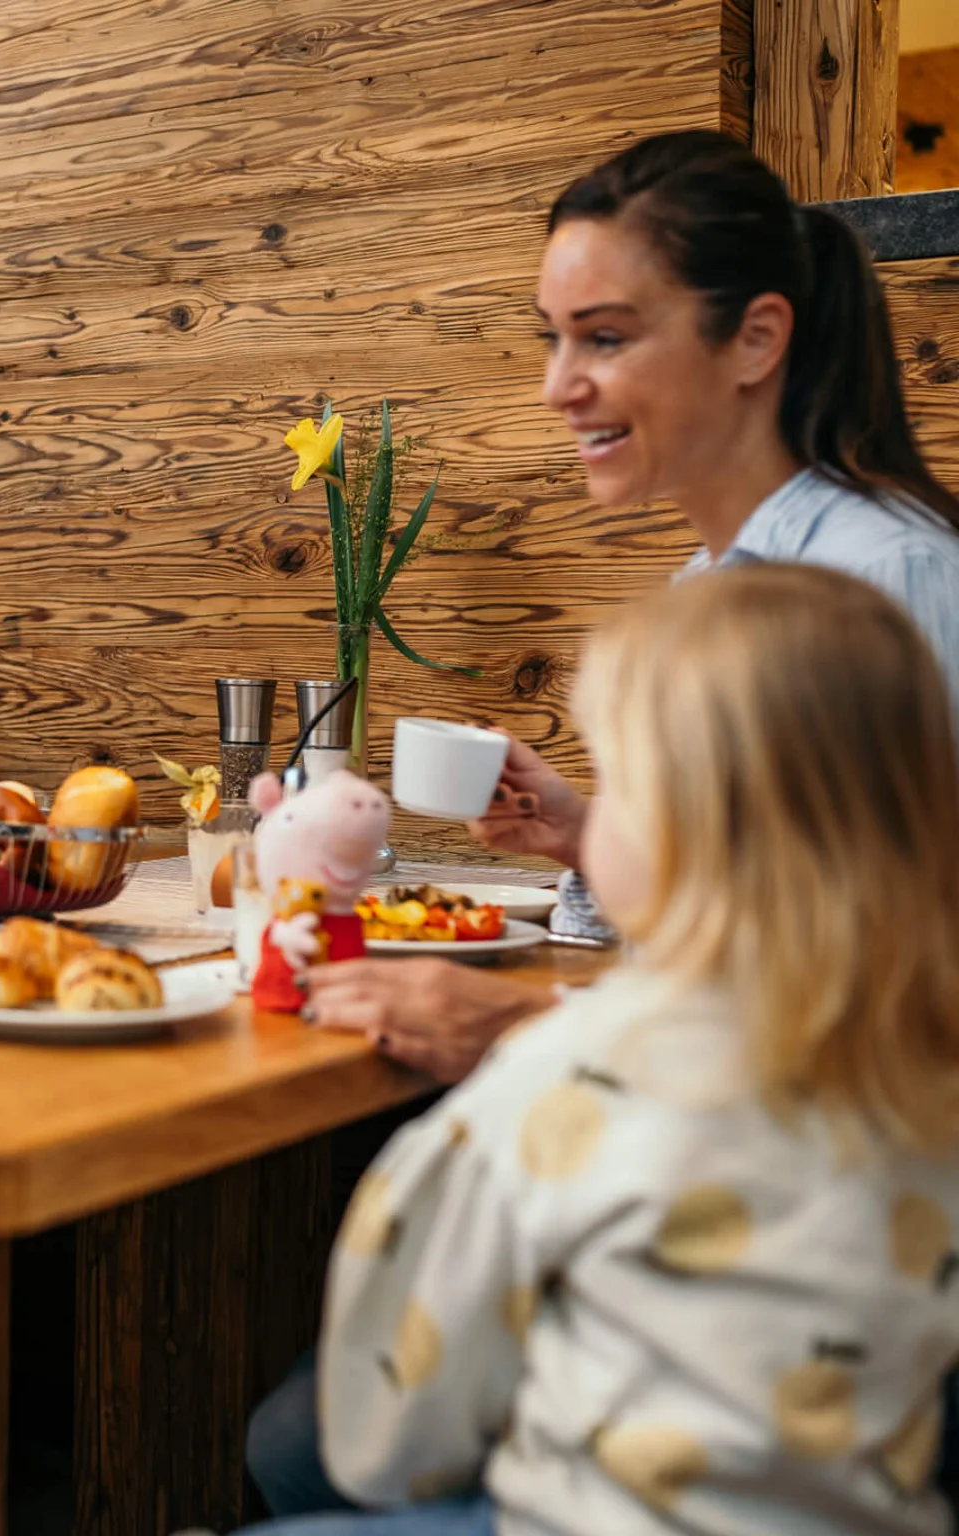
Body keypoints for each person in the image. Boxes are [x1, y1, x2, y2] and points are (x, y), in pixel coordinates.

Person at [249, 128, 959, 1516]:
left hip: (842, 1282)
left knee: (303, 1438)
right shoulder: (719, 589)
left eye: (606, 337)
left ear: (757, 339)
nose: (558, 384)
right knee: (300, 1428)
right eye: (553, 337)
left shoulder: (889, 585)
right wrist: (586, 835)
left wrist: (520, 1033)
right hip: (754, 1203)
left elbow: (903, 1001)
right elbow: (788, 902)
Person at [233, 562, 959, 1535]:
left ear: (682, 832)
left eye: (614, 782)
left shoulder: (565, 1072)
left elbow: (387, 1437)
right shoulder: (929, 1072)